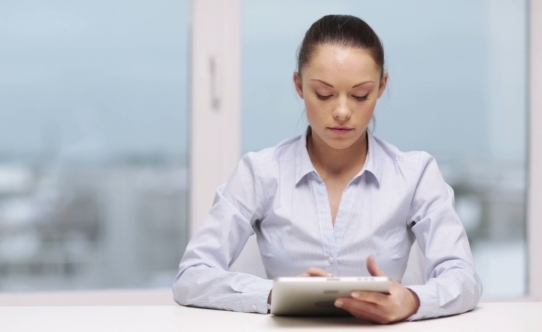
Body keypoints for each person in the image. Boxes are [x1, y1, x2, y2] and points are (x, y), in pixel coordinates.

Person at [173, 14, 482, 324]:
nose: (343, 112)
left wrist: (413, 301)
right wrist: (275, 294)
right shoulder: (261, 172)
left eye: (361, 95)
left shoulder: (416, 175)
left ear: (381, 86)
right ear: (299, 85)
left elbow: (464, 278)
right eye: (324, 94)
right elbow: (192, 276)